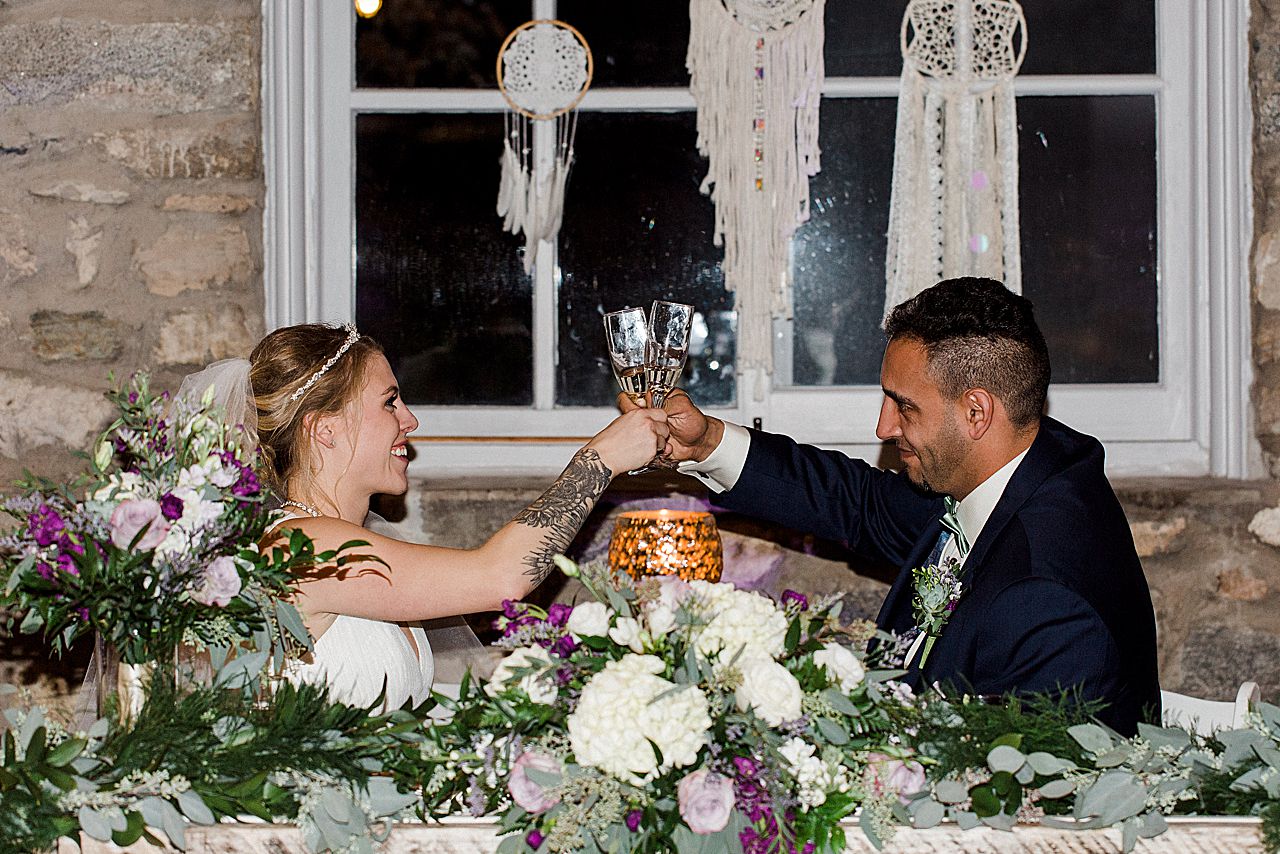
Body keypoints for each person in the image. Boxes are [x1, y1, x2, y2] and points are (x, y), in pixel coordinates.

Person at [633, 278, 1160, 735]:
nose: (883, 427)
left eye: (905, 406)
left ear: (976, 412)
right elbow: (858, 502)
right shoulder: (1021, 462)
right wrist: (706, 443)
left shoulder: (1045, 599)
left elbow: (1007, 797)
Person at [182, 322, 668, 710]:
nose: (410, 420)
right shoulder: (304, 550)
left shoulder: (354, 541)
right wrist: (599, 461)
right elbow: (501, 577)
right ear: (325, 429)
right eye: (389, 402)